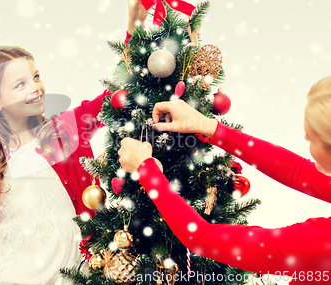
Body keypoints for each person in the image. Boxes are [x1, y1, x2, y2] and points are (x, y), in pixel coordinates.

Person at [0, 0, 149, 285]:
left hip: (70, 253)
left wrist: (135, 28)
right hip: (14, 254)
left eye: (36, 77)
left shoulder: (64, 129)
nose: (36, 89)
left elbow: (116, 94)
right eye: (20, 85)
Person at [117, 75, 331, 284]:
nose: (305, 138)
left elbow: (200, 237)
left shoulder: (320, 245)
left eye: (311, 136)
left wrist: (145, 169)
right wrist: (208, 126)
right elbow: (299, 171)